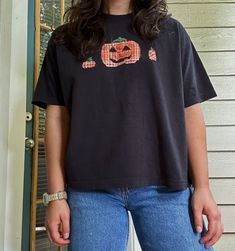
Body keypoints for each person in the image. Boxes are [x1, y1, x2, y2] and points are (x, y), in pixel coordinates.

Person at [32, 0, 224, 250]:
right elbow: (58, 119)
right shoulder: (64, 40)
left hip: (166, 185)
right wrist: (56, 196)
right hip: (90, 191)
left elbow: (190, 112)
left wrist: (202, 187)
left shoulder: (170, 33)